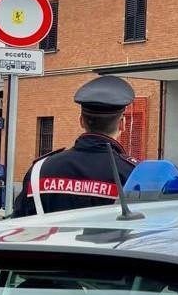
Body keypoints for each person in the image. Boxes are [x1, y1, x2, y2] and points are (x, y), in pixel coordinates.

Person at [11, 75, 138, 217]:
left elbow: (18, 223)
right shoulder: (133, 173)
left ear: (81, 121)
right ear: (122, 123)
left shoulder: (40, 170)